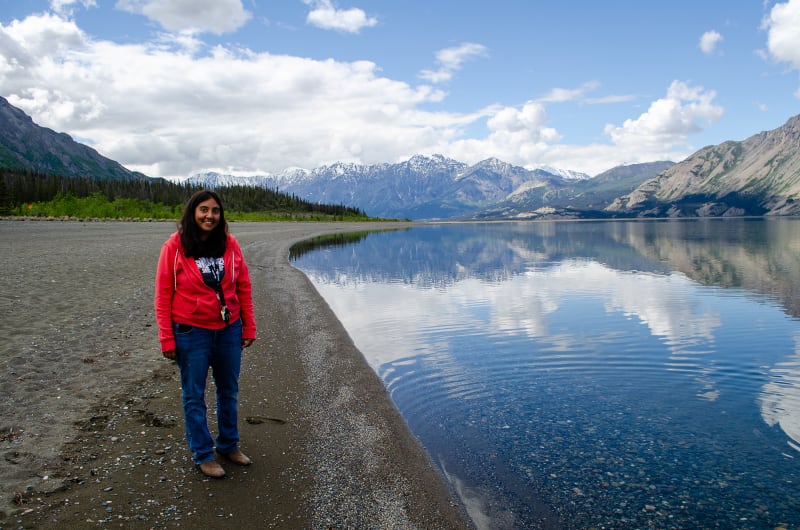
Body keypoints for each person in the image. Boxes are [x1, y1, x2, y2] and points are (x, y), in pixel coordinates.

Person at [154, 190, 257, 478]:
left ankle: (228, 444)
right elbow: (163, 295)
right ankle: (203, 453)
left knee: (229, 391)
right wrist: (167, 337)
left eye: (215, 211)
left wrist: (248, 326)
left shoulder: (230, 244)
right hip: (191, 332)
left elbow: (243, 287)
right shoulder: (174, 247)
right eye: (203, 210)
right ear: (192, 212)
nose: (209, 216)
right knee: (193, 396)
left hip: (228, 330)